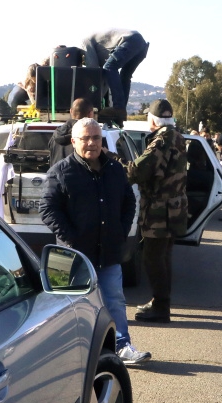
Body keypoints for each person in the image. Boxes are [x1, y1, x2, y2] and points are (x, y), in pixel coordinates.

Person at [40, 118, 150, 365]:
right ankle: (64, 356)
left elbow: (128, 201)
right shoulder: (60, 172)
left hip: (108, 251)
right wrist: (71, 237)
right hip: (70, 256)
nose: (91, 143)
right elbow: (47, 209)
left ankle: (122, 347)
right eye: (85, 138)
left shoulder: (114, 169)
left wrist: (121, 231)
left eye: (96, 138)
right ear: (73, 141)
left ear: (102, 140)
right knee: (67, 306)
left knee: (115, 300)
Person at [128, 99, 188, 323]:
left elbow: (137, 172)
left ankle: (161, 308)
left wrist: (111, 159)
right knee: (163, 258)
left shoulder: (161, 141)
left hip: (159, 213)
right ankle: (160, 301)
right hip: (173, 210)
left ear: (152, 119)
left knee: (153, 259)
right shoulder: (178, 136)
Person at [82, 29, 149, 121]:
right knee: (125, 76)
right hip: (141, 44)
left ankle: (119, 108)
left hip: (129, 40)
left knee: (110, 67)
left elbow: (93, 70)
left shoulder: (85, 42)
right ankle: (121, 111)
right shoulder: (99, 45)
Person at [48, 98, 95, 163]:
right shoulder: (93, 136)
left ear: (71, 111)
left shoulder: (55, 134)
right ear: (90, 114)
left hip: (54, 173)